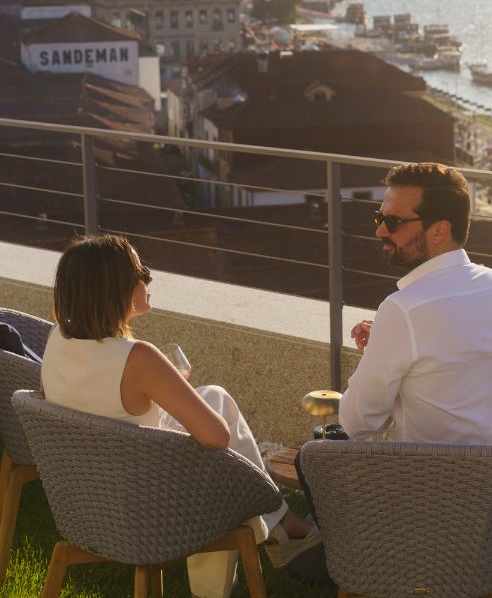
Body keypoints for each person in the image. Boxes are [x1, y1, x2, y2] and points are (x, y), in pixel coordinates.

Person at [41, 234, 317, 598]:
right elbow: (215, 438)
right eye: (143, 272)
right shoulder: (138, 357)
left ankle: (281, 523)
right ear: (116, 287)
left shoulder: (57, 339)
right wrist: (163, 384)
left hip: (90, 500)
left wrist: (161, 394)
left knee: (214, 397)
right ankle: (274, 528)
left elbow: (83, 401)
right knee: (218, 447)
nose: (149, 280)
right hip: (151, 507)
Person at [340, 161, 492, 445]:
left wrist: (383, 349)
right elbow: (464, 372)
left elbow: (357, 423)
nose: (380, 232)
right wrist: (390, 342)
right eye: (378, 218)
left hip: (428, 483)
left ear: (439, 231)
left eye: (393, 222)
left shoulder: (403, 309)